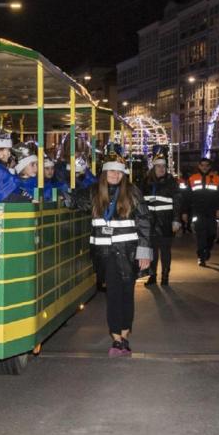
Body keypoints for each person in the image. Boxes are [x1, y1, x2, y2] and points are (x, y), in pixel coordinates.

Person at [75, 153, 152, 357]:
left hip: (128, 253)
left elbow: (144, 221)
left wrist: (144, 251)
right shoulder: (93, 193)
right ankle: (116, 338)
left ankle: (124, 336)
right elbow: (72, 199)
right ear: (104, 172)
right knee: (113, 296)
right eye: (111, 170)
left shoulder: (132, 192)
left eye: (119, 171)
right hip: (105, 255)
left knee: (127, 295)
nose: (115, 175)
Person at [139, 150, 181, 285]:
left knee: (165, 251)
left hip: (166, 222)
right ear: (153, 167)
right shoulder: (145, 182)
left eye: (163, 166)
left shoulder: (171, 182)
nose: (161, 169)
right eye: (159, 166)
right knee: (152, 251)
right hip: (150, 223)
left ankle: (165, 276)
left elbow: (178, 201)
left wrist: (176, 219)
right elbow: (140, 202)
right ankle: (152, 275)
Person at [182, 157, 219, 267]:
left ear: (210, 167)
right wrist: (185, 212)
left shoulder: (216, 178)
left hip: (211, 211)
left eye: (207, 165)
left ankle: (207, 250)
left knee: (212, 234)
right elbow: (187, 197)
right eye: (202, 165)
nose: (204, 167)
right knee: (200, 235)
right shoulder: (192, 178)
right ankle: (201, 256)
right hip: (198, 211)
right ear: (199, 166)